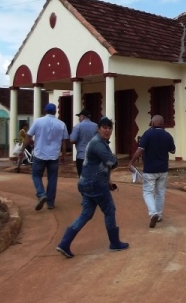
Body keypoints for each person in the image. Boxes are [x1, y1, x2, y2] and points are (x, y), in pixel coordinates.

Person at [56, 116, 129, 258]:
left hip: (87, 182)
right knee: (109, 210)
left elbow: (103, 165)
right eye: (104, 127)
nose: (107, 130)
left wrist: (108, 179)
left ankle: (64, 243)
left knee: (86, 214)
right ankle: (114, 242)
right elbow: (111, 161)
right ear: (98, 129)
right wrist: (113, 159)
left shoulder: (99, 142)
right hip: (94, 183)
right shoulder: (98, 144)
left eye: (109, 128)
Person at [128, 115, 176, 228]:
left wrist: (131, 162)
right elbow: (173, 150)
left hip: (150, 170)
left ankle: (153, 213)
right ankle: (158, 215)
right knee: (160, 193)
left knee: (148, 192)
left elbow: (140, 150)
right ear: (162, 124)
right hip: (163, 169)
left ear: (153, 123)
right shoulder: (168, 135)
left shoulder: (147, 134)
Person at [20, 103, 69, 211]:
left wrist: (22, 149)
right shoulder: (61, 124)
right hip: (54, 156)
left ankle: (41, 194)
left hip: (39, 154)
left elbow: (29, 136)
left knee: (36, 175)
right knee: (52, 179)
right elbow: (64, 141)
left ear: (45, 111)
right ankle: (50, 203)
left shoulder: (38, 121)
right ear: (55, 112)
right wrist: (64, 155)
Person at [70, 109, 98, 178]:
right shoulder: (96, 126)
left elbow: (72, 140)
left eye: (79, 117)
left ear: (83, 117)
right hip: (94, 156)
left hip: (81, 156)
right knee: (93, 177)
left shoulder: (78, 126)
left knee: (82, 178)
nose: (79, 118)